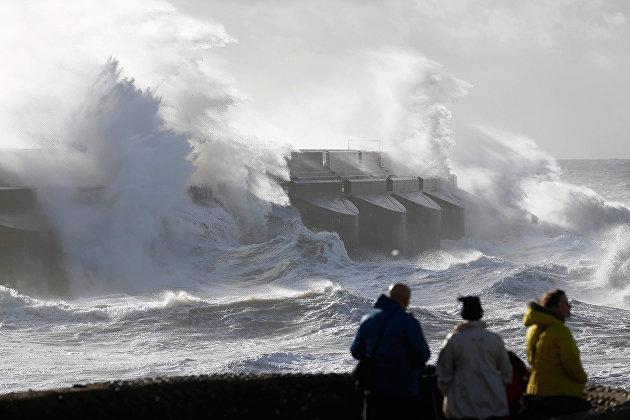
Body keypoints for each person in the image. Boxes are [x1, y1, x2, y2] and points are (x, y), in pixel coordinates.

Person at [350, 283, 431, 420]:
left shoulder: (368, 319)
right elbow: (423, 355)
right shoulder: (409, 322)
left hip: (374, 390)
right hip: (403, 390)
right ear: (405, 301)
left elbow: (355, 351)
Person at [436, 296, 512, 419]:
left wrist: (450, 394)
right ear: (481, 313)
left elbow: (443, 375)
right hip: (494, 405)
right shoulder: (494, 339)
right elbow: (507, 374)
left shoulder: (454, 340)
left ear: (462, 314)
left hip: (461, 407)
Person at [521, 289, 590, 417]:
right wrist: (583, 380)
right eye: (565, 303)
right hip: (555, 395)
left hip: (534, 391)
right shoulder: (560, 331)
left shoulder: (533, 330)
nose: (570, 306)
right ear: (554, 306)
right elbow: (572, 365)